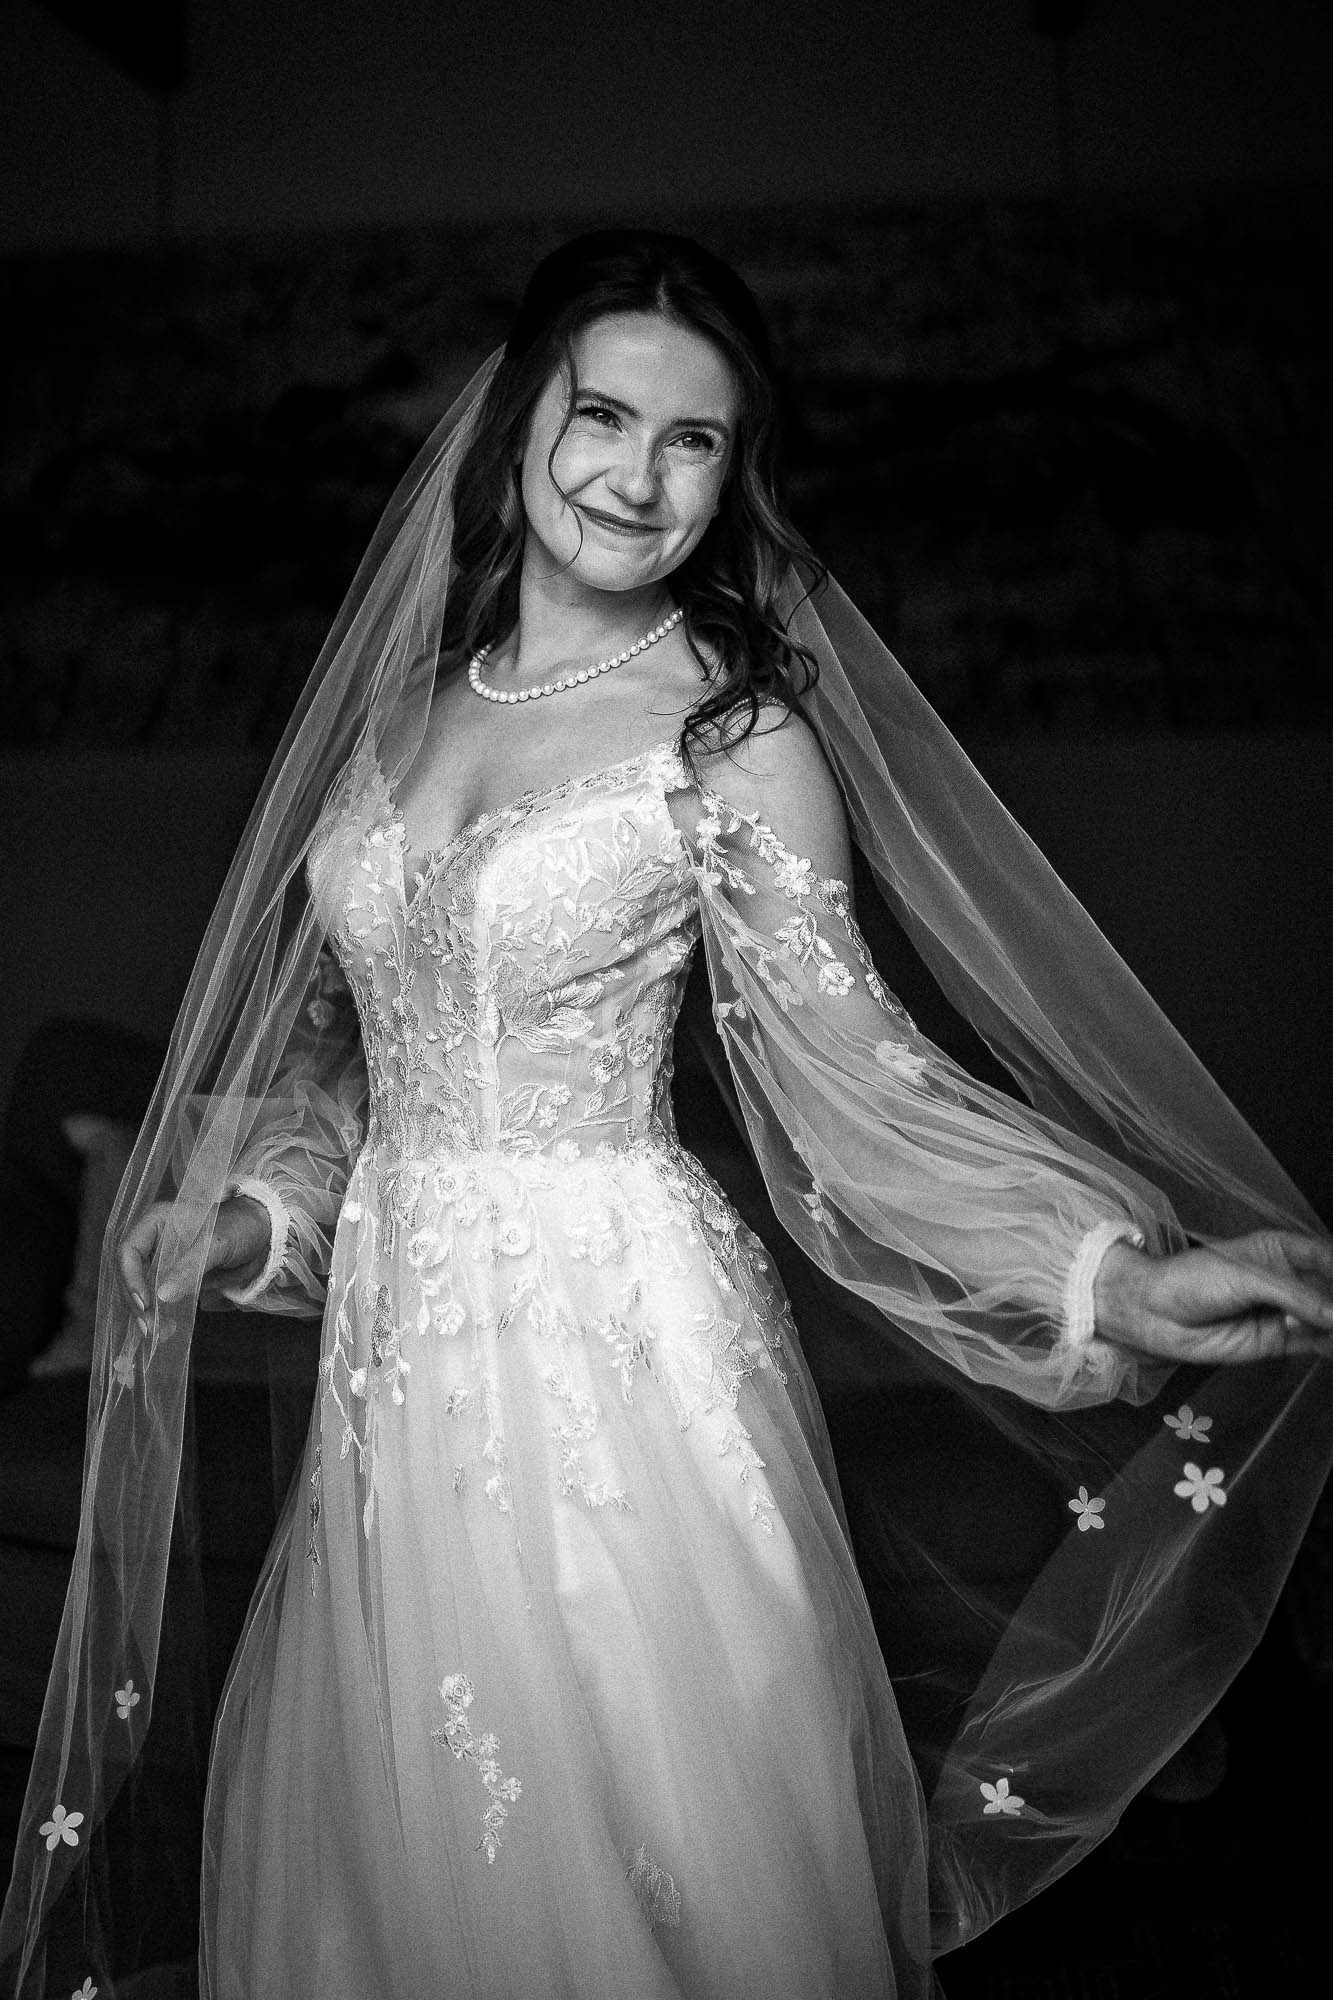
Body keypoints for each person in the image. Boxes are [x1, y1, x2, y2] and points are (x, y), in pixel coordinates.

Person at [4, 229, 1331, 1999]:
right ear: (515, 427)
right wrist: (250, 1218)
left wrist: (1106, 1274)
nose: (637, 475)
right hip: (398, 1366)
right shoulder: (395, 716)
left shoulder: (731, 735)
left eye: (692, 439)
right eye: (602, 415)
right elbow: (348, 1061)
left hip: (616, 1346)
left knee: (649, 1857)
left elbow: (864, 1078)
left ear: (734, 471)